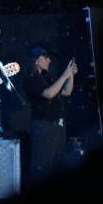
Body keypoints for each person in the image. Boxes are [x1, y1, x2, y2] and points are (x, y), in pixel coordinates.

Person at [26, 44, 77, 182]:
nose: (49, 61)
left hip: (56, 126)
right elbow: (48, 93)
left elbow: (66, 92)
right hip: (43, 126)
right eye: (46, 57)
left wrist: (70, 75)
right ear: (36, 60)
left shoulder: (47, 76)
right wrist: (65, 74)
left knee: (58, 165)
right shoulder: (31, 77)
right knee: (42, 166)